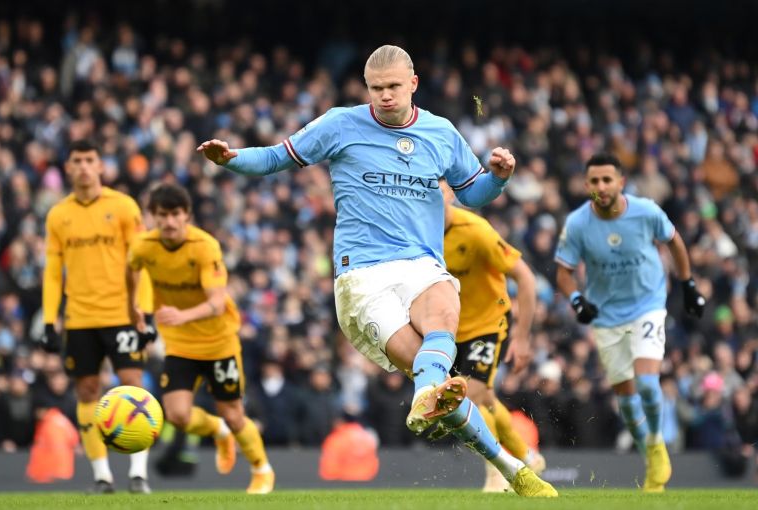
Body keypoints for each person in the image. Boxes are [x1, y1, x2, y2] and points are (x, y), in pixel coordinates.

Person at [198, 44, 556, 497]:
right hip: (362, 277)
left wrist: (500, 177)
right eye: (376, 88)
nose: (384, 96)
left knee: (444, 329)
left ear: (413, 85)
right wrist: (232, 159)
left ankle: (513, 472)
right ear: (366, 88)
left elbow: (473, 195)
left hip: (422, 265)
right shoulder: (339, 124)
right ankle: (503, 461)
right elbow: (275, 157)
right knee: (440, 383)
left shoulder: (441, 133)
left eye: (392, 87)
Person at [555, 153, 706, 492]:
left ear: (621, 182)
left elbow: (675, 242)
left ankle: (656, 442)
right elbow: (564, 272)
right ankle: (648, 452)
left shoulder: (646, 212)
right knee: (626, 401)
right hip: (606, 317)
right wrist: (577, 300)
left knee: (649, 384)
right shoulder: (578, 224)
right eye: (594, 181)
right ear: (586, 185)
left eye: (607, 180)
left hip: (647, 306)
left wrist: (688, 284)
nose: (601, 187)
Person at [125, 183, 274, 494]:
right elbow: (132, 270)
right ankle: (216, 429)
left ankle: (261, 470)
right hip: (180, 345)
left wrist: (183, 315)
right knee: (177, 415)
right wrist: (135, 308)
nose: (169, 222)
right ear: (153, 216)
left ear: (187, 216)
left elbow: (217, 303)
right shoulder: (143, 246)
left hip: (219, 343)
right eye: (162, 215)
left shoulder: (204, 246)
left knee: (234, 414)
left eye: (175, 214)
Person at [40, 140, 155, 494]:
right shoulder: (58, 215)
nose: (85, 167)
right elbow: (52, 270)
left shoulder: (123, 207)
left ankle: (138, 474)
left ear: (101, 166)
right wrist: (49, 320)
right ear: (69, 168)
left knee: (133, 384)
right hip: (79, 318)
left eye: (91, 160)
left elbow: (142, 260)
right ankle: (102, 476)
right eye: (78, 161)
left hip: (121, 314)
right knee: (87, 390)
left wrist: (145, 312)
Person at [440, 181, 546, 492]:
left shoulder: (476, 231)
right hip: (448, 328)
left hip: (488, 323)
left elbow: (525, 277)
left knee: (471, 395)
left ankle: (497, 472)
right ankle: (526, 454)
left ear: (448, 196)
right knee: (483, 397)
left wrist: (523, 337)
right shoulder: (417, 233)